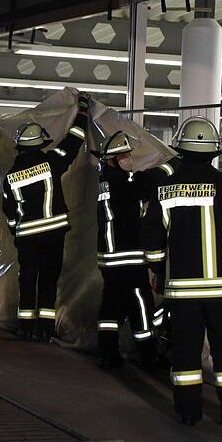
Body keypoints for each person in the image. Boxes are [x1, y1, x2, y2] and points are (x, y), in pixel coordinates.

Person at [141, 117, 222, 426]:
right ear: (213, 151)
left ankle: (188, 411)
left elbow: (153, 240)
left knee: (185, 349)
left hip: (181, 291)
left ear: (180, 149)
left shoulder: (164, 189)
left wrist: (157, 271)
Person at [1, 93, 89, 342]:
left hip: (26, 235)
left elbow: (8, 211)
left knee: (27, 278)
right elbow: (73, 143)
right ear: (41, 144)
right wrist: (82, 112)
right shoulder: (51, 162)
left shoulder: (11, 175)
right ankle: (45, 328)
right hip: (53, 232)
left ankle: (25, 326)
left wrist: (15, 233)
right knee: (49, 279)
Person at [93, 130, 177, 369]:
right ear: (111, 160)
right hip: (129, 260)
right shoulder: (122, 182)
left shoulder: (106, 181)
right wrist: (176, 162)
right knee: (141, 306)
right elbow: (148, 181)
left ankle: (108, 352)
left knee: (111, 306)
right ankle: (149, 356)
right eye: (125, 155)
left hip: (110, 261)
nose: (130, 159)